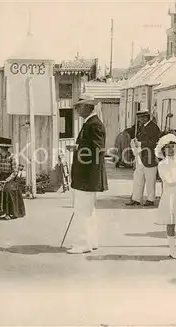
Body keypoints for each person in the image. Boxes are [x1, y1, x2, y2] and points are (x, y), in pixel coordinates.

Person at [67, 94, 108, 254]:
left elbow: (98, 150)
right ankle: (92, 241)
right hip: (86, 176)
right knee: (88, 211)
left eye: (78, 107)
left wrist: (77, 149)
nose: (77, 110)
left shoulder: (95, 124)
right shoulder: (89, 123)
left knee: (82, 211)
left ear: (86, 107)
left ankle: (83, 243)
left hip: (87, 176)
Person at [127, 112, 161, 207]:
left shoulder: (154, 128)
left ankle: (151, 199)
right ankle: (136, 198)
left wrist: (141, 143)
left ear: (146, 118)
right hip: (141, 156)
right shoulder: (142, 127)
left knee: (150, 179)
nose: (139, 120)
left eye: (140, 118)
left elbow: (154, 142)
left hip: (150, 157)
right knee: (138, 178)